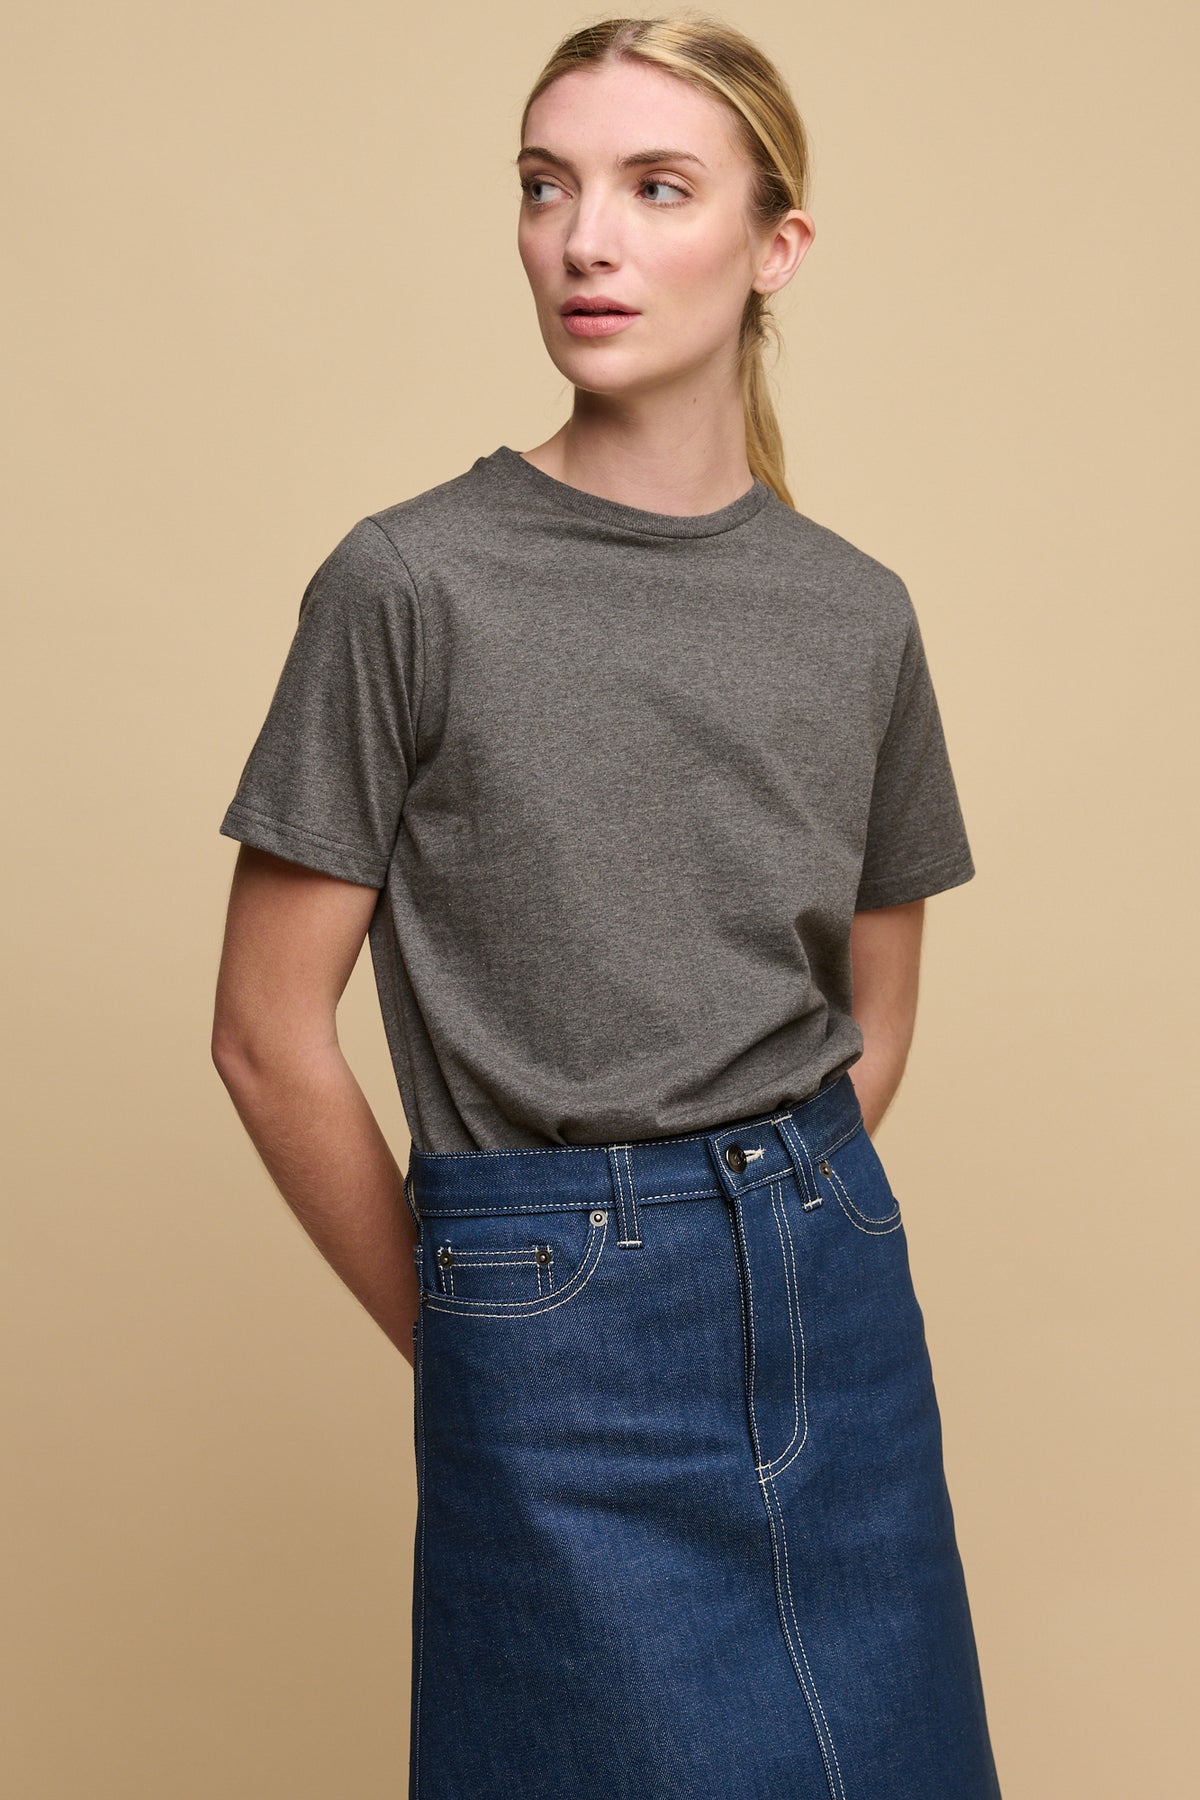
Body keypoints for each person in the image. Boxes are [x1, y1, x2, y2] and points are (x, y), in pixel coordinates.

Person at [212, 14, 1003, 1798]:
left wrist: (767, 1234)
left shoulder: (853, 610)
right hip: (549, 1320)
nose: (586, 240)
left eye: (657, 188)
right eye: (545, 186)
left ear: (775, 246)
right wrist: (494, 1329)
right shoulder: (409, 584)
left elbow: (874, 1006)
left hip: (834, 1301)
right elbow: (265, 1038)